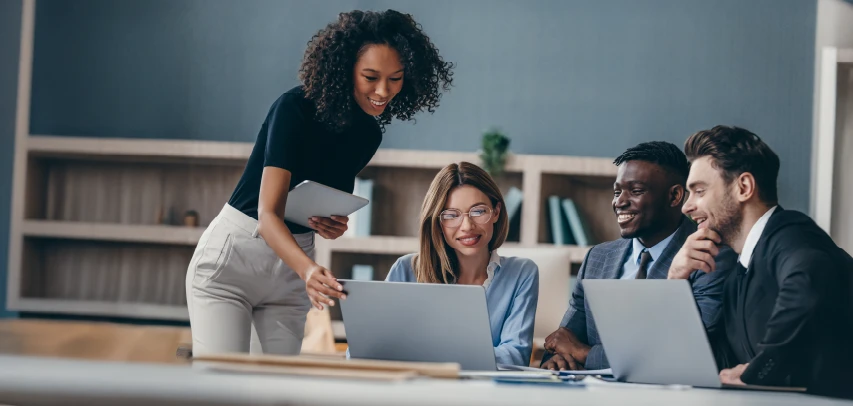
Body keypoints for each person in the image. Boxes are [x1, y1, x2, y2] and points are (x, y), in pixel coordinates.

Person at [185, 10, 454, 356]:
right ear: (346, 70)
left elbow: (313, 203)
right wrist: (309, 270)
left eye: (396, 78)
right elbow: (269, 215)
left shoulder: (368, 135)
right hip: (235, 258)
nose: (383, 91)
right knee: (220, 386)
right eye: (370, 77)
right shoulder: (295, 108)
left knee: (276, 391)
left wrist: (329, 223)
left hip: (292, 267)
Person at [670, 125, 853, 398]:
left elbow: (808, 281)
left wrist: (759, 372)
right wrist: (675, 281)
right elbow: (717, 365)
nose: (686, 206)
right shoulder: (736, 276)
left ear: (744, 187)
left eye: (699, 190)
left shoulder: (791, 233)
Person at [541, 141, 736, 371]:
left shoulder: (710, 255)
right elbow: (561, 342)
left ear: (674, 196)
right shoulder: (597, 258)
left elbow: (686, 355)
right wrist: (557, 360)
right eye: (617, 192)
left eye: (635, 191)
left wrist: (585, 354)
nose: (619, 202)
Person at [384, 162, 539, 366]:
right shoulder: (406, 269)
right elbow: (367, 351)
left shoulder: (522, 273)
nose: (467, 227)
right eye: (451, 215)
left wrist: (427, 355)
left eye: (478, 211)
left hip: (485, 393)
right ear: (438, 223)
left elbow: (515, 357)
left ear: (496, 212)